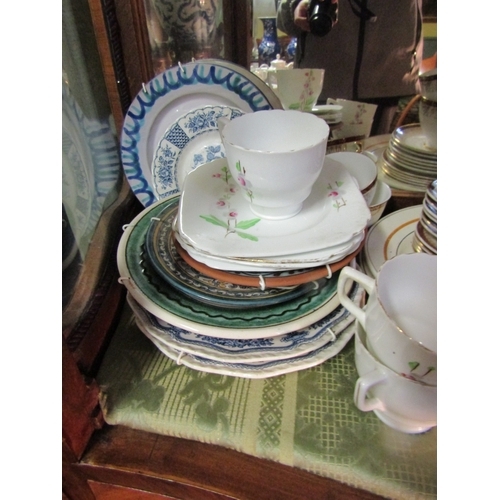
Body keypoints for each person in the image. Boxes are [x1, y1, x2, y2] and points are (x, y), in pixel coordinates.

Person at [276, 0, 424, 135]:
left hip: (387, 79)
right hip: (318, 85)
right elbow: (286, 21)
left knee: (377, 159)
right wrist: (297, 5)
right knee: (311, 160)